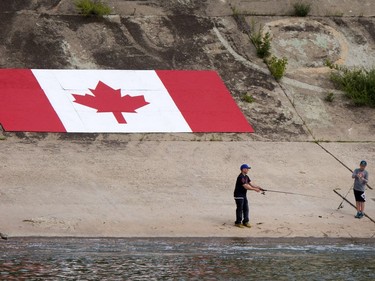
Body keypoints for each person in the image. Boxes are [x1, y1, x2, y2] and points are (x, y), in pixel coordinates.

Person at [234, 164, 263, 228]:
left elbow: (251, 184)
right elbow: (246, 186)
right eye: (247, 169)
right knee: (240, 209)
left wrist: (259, 187)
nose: (248, 170)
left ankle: (245, 222)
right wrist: (255, 189)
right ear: (243, 169)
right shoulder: (240, 177)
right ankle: (238, 222)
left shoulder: (246, 177)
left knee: (246, 208)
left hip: (243, 195)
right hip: (238, 195)